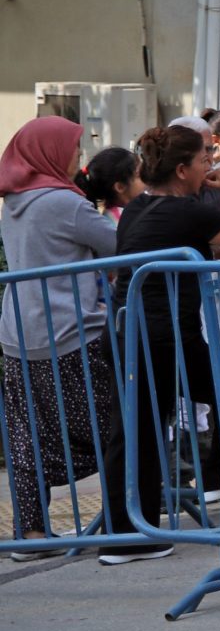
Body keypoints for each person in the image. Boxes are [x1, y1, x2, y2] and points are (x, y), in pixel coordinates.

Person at [113, 124, 220, 559]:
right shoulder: (190, 211)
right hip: (166, 335)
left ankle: (123, 530)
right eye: (205, 159)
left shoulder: (137, 207)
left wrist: (210, 251)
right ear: (183, 170)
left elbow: (182, 246)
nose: (211, 165)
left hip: (132, 328)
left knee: (135, 427)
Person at [1, 120, 129, 557]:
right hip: (69, 332)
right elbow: (120, 245)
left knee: (27, 434)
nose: (78, 158)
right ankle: (124, 520)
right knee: (112, 428)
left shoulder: (15, 201)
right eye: (73, 149)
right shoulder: (62, 203)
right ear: (50, 153)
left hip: (19, 333)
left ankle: (31, 533)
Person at [77, 146, 140, 215]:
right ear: (120, 187)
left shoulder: (118, 215)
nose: (145, 178)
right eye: (138, 175)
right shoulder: (127, 219)